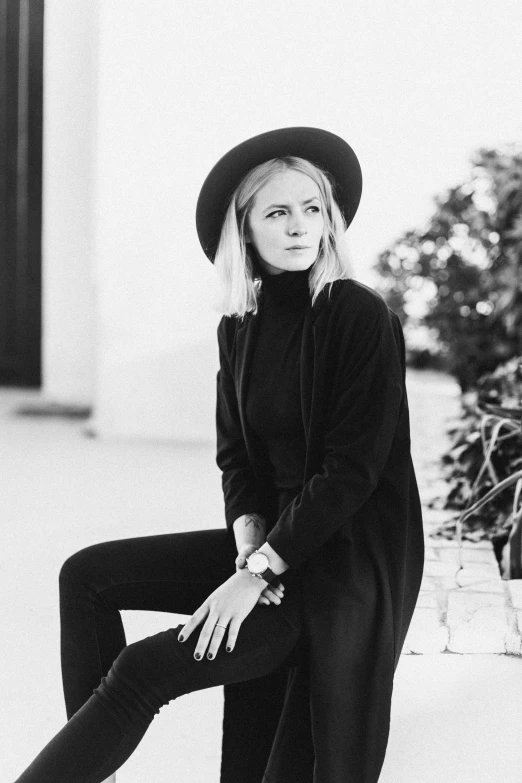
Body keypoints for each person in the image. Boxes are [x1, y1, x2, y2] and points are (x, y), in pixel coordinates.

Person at [13, 126, 424, 783]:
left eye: (312, 208)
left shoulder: (357, 314)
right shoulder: (240, 326)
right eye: (278, 211)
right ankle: (95, 768)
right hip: (281, 549)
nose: (299, 227)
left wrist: (257, 573)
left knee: (145, 669)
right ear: (246, 228)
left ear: (331, 220)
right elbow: (238, 458)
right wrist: (248, 543)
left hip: (343, 565)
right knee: (86, 576)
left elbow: (351, 471)